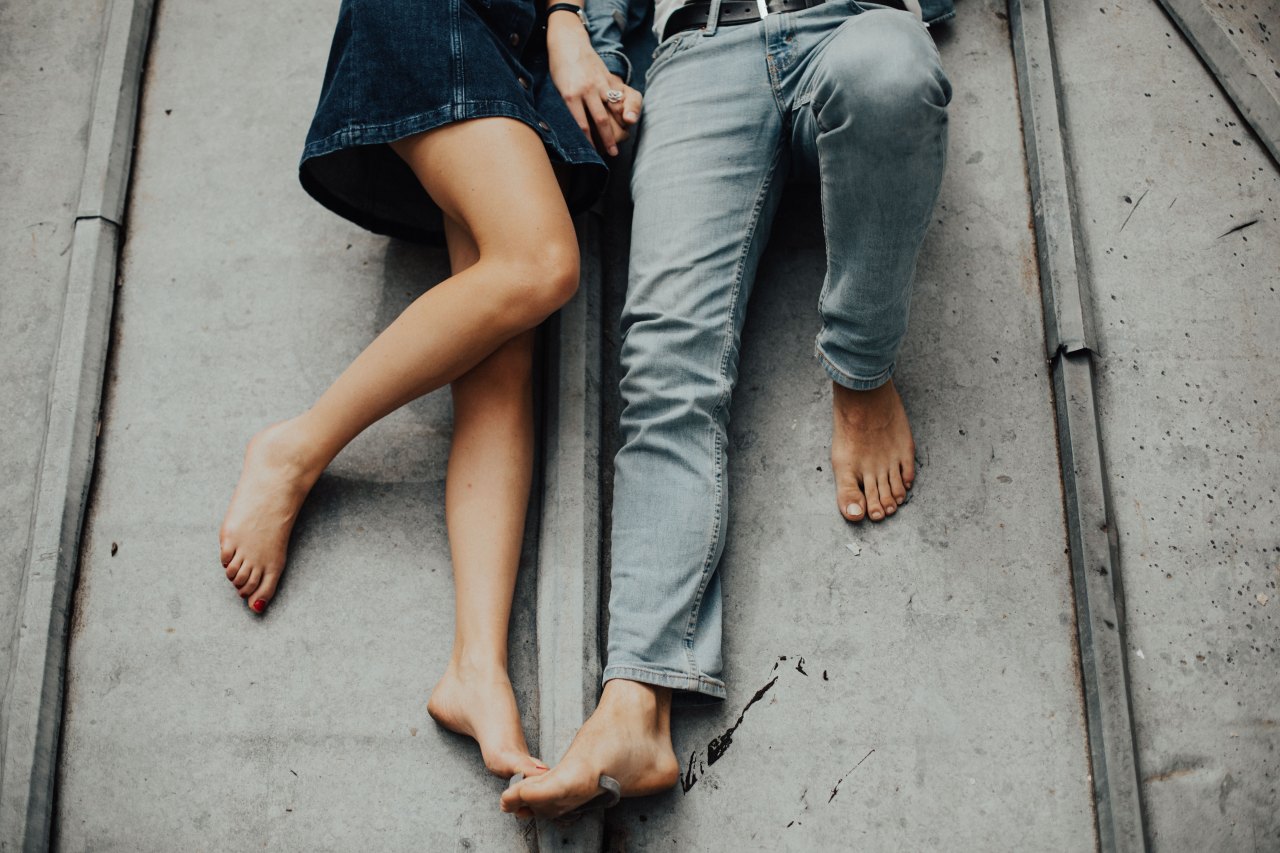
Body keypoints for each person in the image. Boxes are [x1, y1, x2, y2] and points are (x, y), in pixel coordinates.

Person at [502, 0, 954, 818]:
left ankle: (861, 371)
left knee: (891, 73)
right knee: (663, 357)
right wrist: (571, 25)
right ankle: (635, 703)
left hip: (853, 23)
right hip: (699, 51)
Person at [218, 0, 642, 781]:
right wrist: (566, 20)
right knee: (542, 262)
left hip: (518, 49)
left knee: (500, 367)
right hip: (449, 13)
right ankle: (295, 448)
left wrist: (581, 39)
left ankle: (475, 668)